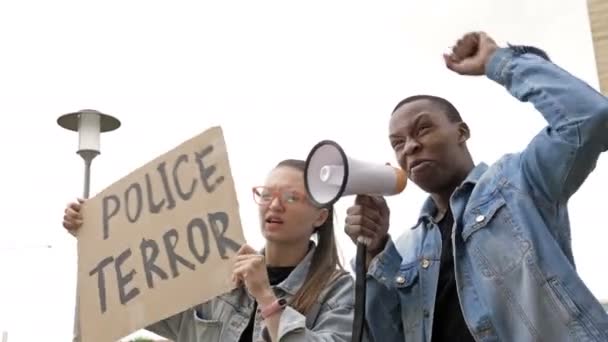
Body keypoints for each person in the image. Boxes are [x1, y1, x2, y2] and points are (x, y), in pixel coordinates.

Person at [344, 31, 608, 341]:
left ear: (462, 132)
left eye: (423, 129)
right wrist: (374, 253)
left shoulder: (519, 182)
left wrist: (499, 62)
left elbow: (588, 117)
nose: (410, 147)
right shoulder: (406, 250)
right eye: (397, 143)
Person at [63, 159, 355, 342]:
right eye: (266, 194)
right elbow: (138, 302)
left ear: (320, 216)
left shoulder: (338, 291)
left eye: (292, 197)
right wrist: (93, 236)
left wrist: (265, 297)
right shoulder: (219, 276)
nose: (274, 205)